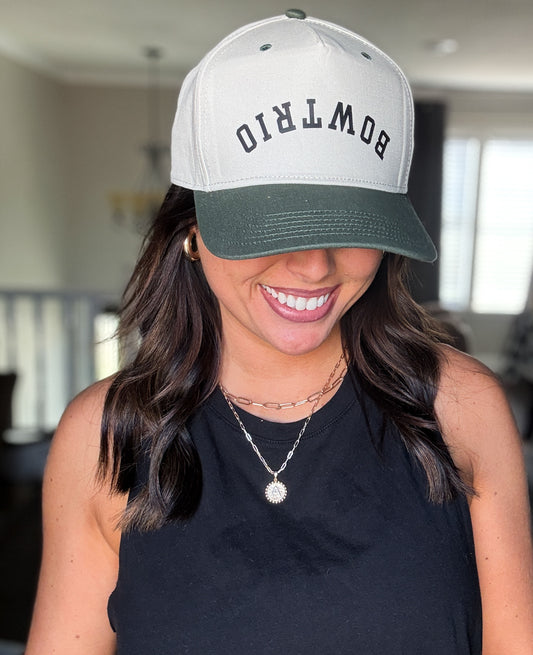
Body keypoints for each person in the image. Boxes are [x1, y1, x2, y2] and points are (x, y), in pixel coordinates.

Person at [26, 10, 533, 655]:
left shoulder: (461, 408)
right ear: (191, 228)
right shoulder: (103, 436)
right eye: (274, 223)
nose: (314, 266)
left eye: (350, 222)